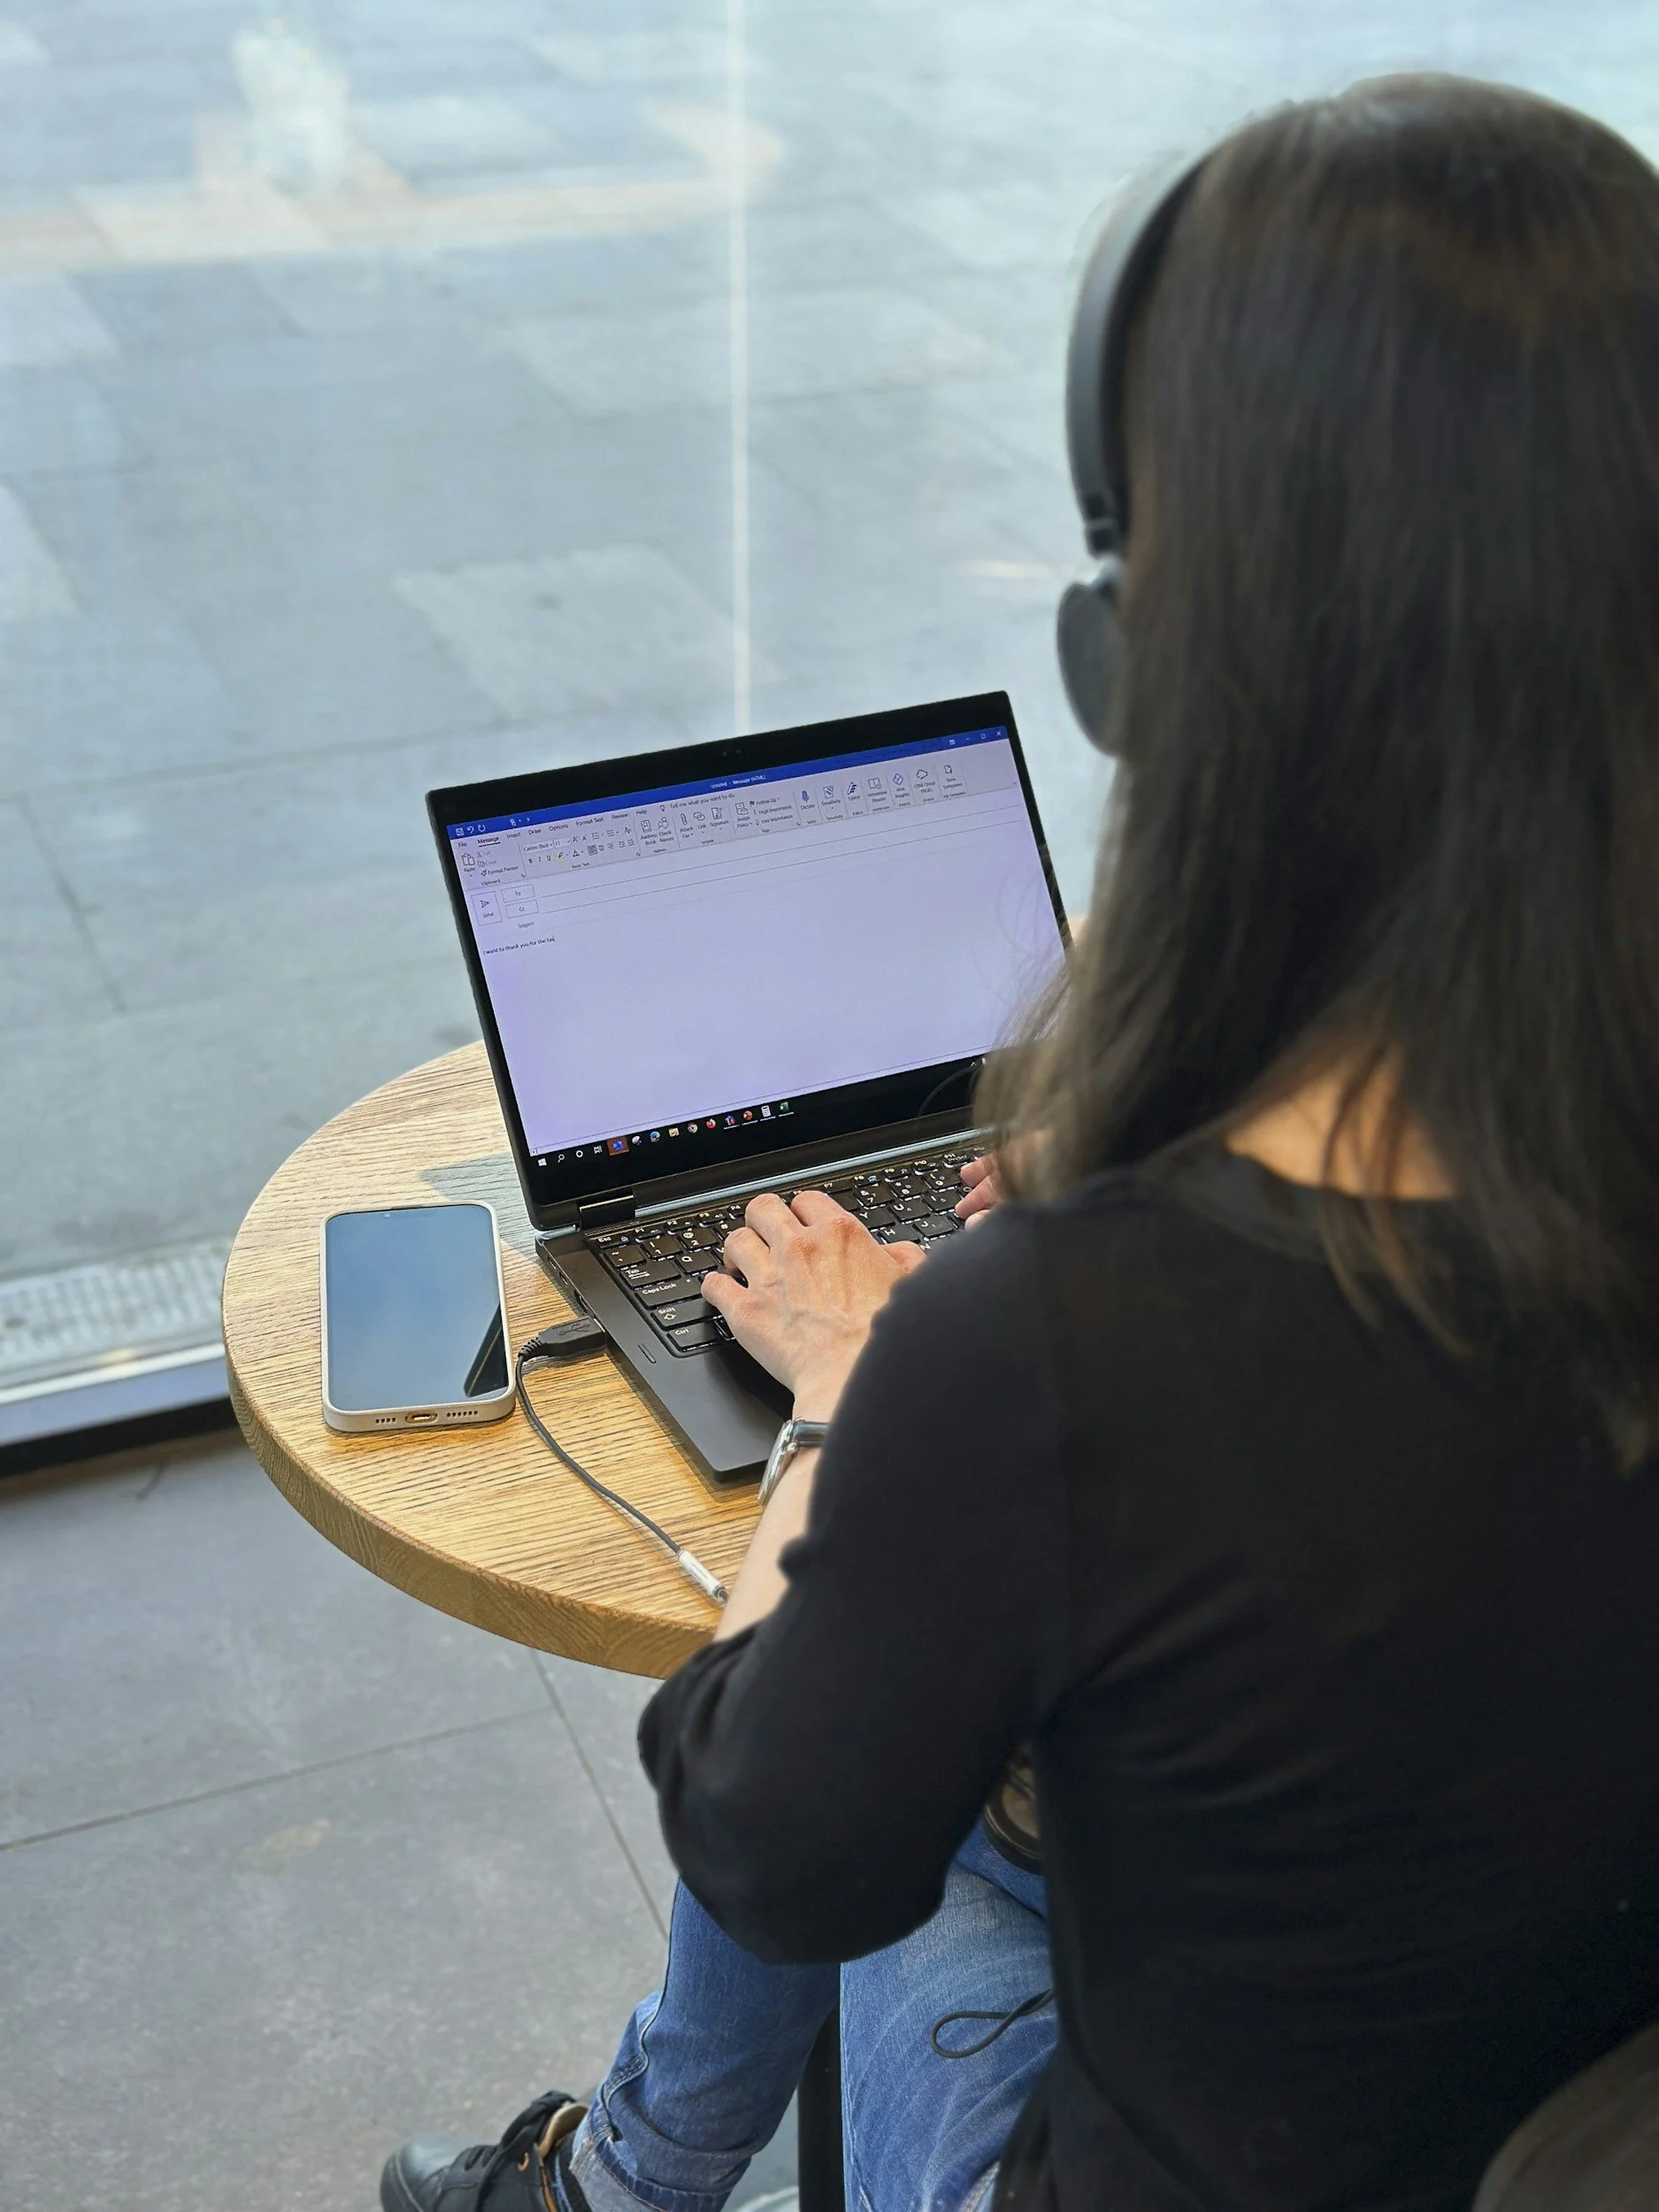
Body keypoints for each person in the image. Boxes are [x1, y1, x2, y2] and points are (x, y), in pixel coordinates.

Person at [382, 73, 1659, 2212]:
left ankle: (611, 2182)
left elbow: (766, 1829)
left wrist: (857, 1397)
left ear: (1145, 653)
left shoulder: (1053, 1346)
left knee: (876, 1727)